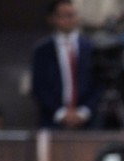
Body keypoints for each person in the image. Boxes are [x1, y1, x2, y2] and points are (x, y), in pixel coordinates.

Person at [30, 0, 99, 130]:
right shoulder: (42, 51)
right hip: (52, 121)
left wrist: (83, 113)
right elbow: (39, 86)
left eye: (72, 15)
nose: (70, 20)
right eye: (64, 16)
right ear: (52, 19)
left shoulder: (91, 48)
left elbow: (99, 85)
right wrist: (61, 113)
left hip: (87, 123)